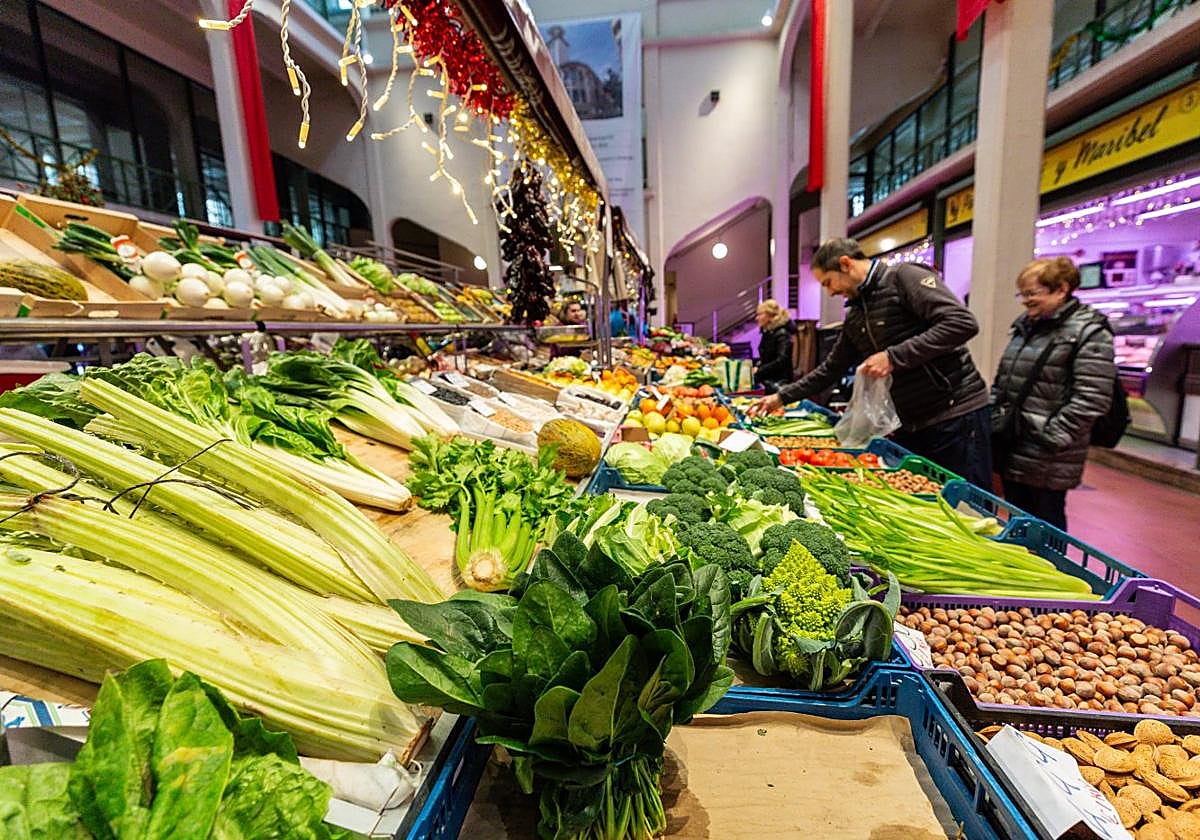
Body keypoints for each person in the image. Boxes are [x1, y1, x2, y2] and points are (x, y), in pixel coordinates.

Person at [749, 237, 992, 488]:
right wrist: (781, 397)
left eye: (828, 282)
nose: (830, 292)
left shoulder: (904, 277)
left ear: (845, 263)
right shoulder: (856, 313)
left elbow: (961, 323)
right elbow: (831, 368)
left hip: (956, 413)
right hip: (911, 421)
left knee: (967, 505)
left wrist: (893, 356)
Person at [991, 257, 1116, 530]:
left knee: (1046, 527)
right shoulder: (1027, 326)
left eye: (1032, 293)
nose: (1025, 301)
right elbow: (1004, 380)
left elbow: (1093, 397)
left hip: (1049, 452)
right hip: (1017, 443)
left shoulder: (1089, 332)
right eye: (1022, 294)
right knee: (1019, 520)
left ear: (1061, 288)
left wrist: (1052, 436)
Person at [753, 299, 794, 393]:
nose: (757, 318)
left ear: (770, 316)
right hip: (769, 378)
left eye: (760, 314)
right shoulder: (767, 332)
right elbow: (766, 357)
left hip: (778, 382)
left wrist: (760, 370)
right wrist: (758, 366)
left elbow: (782, 360)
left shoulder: (782, 334)